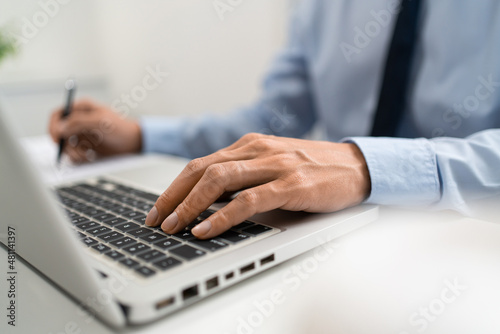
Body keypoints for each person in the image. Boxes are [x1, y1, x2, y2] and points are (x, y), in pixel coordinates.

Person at [49, 0, 500, 239]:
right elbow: (272, 121)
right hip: (334, 235)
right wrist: (141, 135)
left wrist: (365, 165)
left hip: (474, 238)